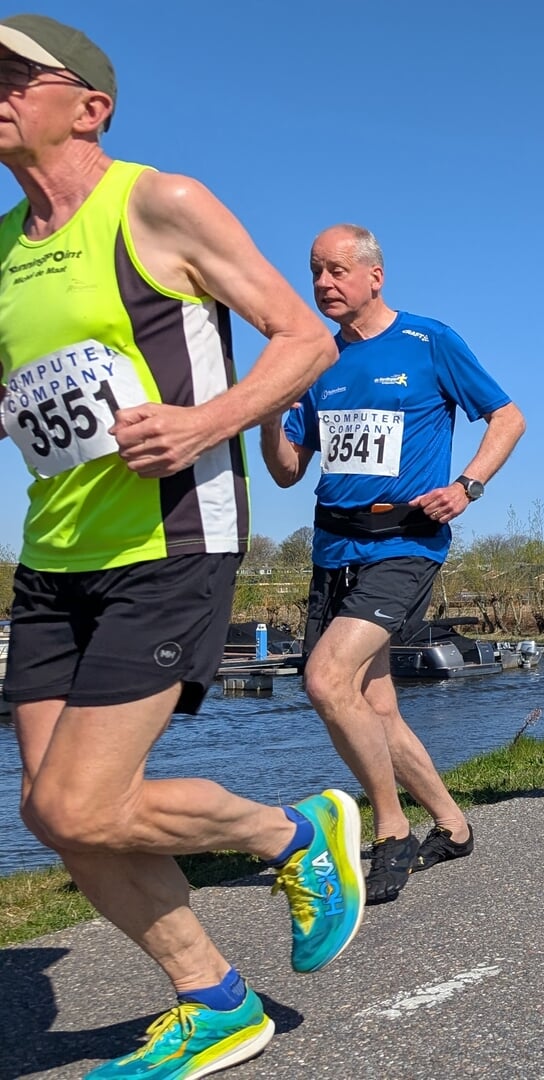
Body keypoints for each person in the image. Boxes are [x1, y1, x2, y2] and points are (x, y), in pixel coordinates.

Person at [0, 16, 362, 1076]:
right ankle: (215, 999)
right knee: (57, 817)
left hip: (172, 539)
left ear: (90, 107)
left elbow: (303, 339)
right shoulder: (4, 250)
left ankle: (293, 835)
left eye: (13, 73)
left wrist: (206, 424)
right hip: (53, 554)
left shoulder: (160, 203)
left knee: (79, 801)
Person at [261, 224, 525, 903]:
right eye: (315, 271)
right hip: (333, 547)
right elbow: (287, 471)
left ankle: (391, 830)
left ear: (375, 276)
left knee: (325, 680)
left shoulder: (428, 341)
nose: (323, 283)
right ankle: (453, 825)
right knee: (374, 704)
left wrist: (467, 486)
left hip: (405, 543)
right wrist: (267, 409)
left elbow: (507, 418)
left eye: (337, 269)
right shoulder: (316, 360)